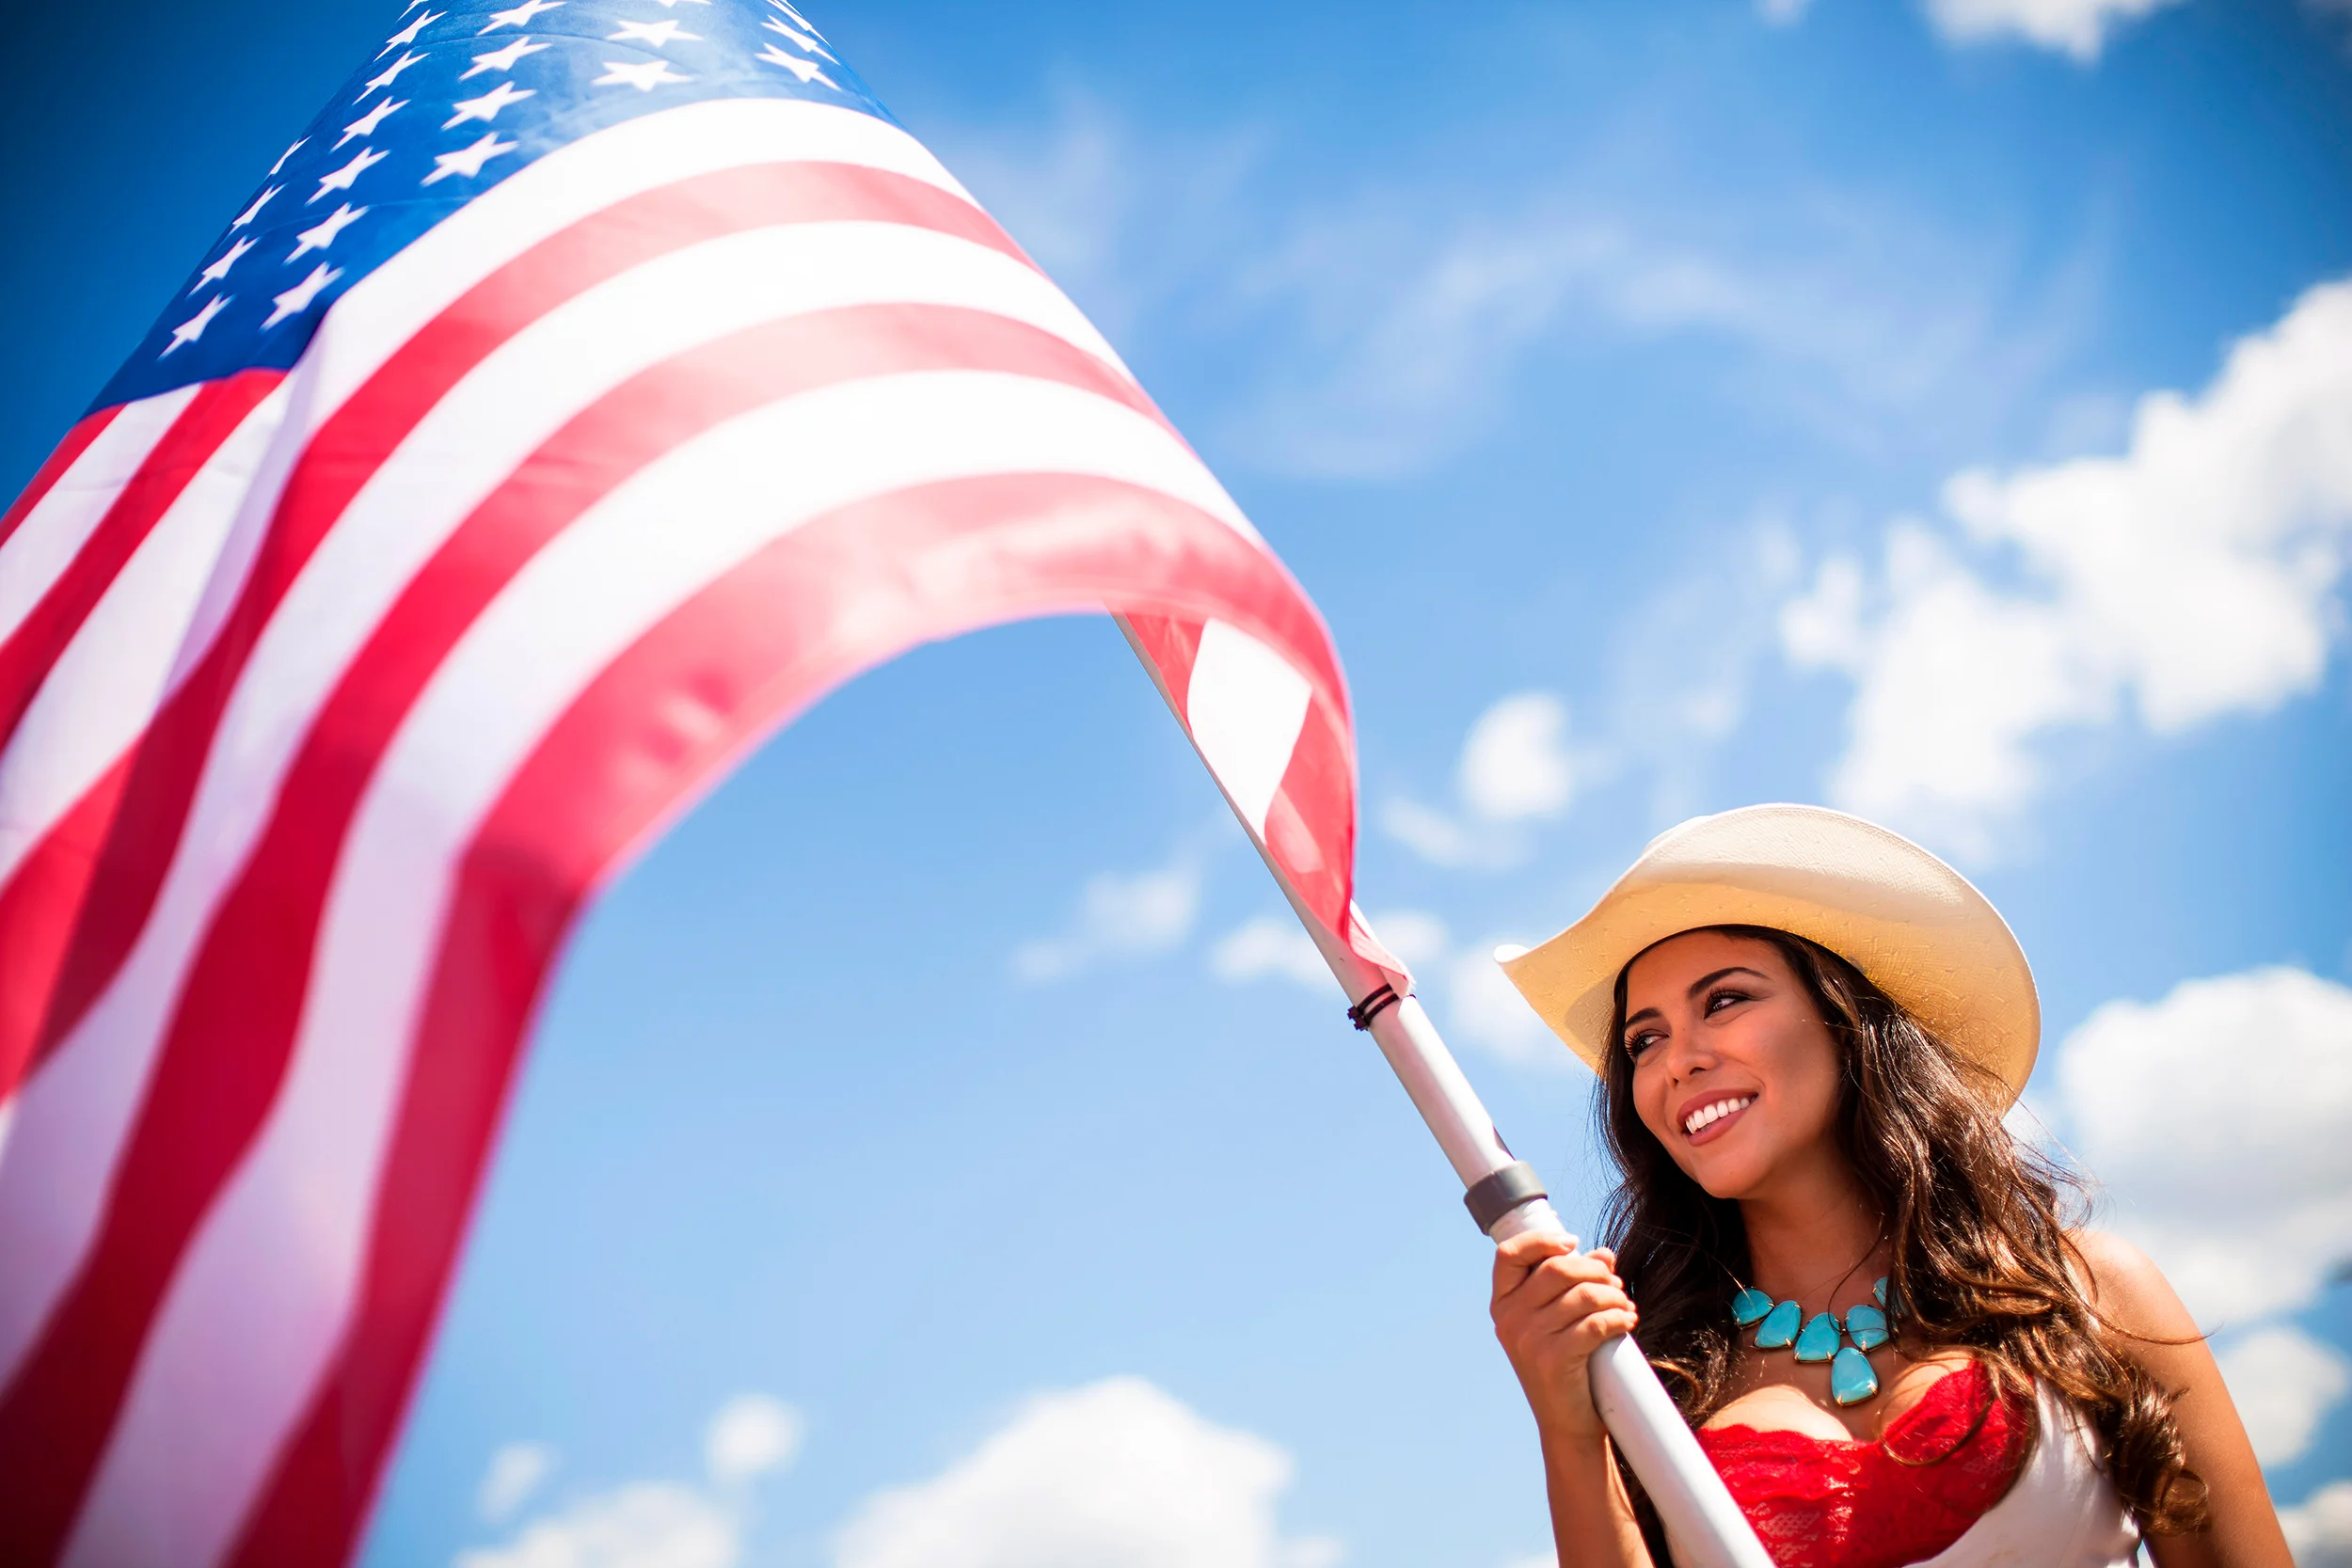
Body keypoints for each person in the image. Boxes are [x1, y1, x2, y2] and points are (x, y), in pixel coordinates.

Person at [1485, 804, 2293, 1568]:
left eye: (1724, 999)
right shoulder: (1644, 1372)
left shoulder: (2088, 1292)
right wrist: (1567, 1425)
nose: (1675, 1061)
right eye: (1644, 1039)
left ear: (1847, 1018)